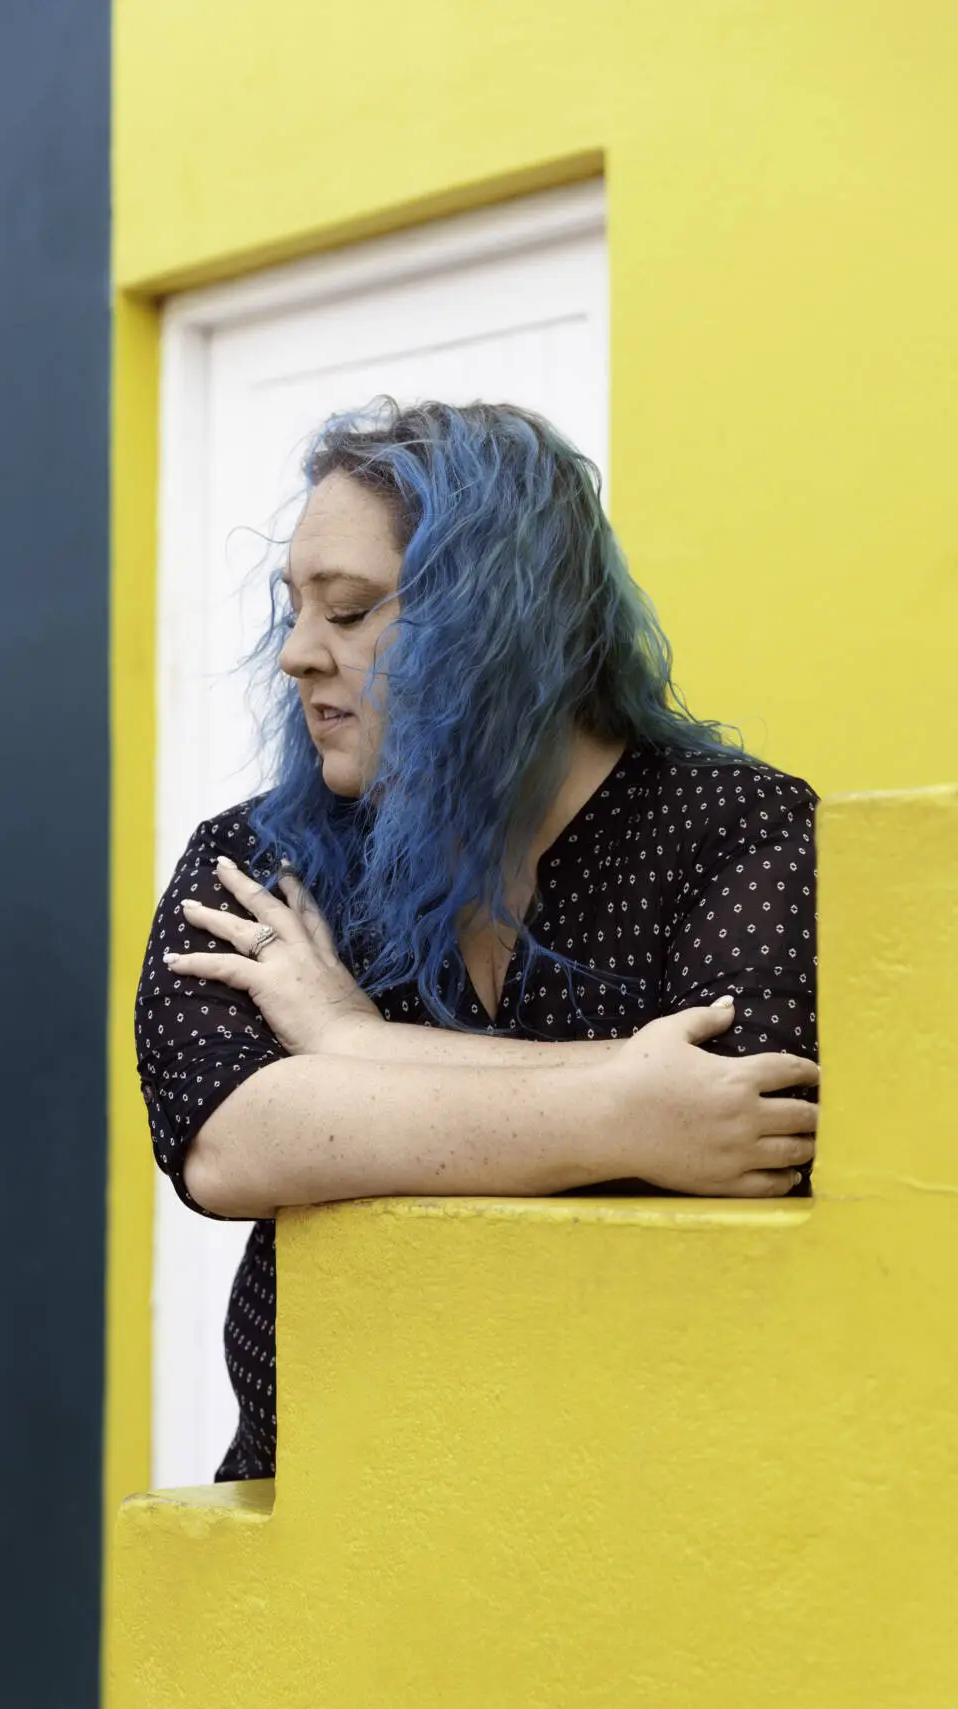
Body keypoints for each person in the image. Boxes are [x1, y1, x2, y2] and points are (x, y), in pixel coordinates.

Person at [136, 400, 818, 1484]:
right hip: (319, 1522)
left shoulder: (735, 832)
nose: (297, 657)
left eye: (349, 612)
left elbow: (748, 1123)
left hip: (659, 1523)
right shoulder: (262, 862)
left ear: (497, 622)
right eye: (297, 609)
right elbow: (230, 1142)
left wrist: (353, 1050)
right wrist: (619, 1109)